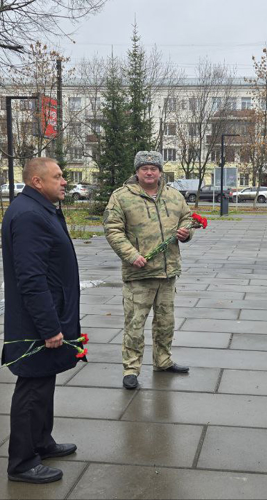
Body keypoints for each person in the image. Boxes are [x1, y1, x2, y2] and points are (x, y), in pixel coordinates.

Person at [1, 157, 81, 484]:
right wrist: (49, 327)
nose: (64, 181)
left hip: (48, 314)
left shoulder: (39, 209)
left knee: (44, 381)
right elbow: (31, 278)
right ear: (37, 181)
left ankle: (41, 442)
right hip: (36, 323)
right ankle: (22, 462)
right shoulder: (30, 215)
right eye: (58, 176)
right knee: (32, 388)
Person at [104, 151, 194, 390]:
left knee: (166, 322)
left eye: (154, 168)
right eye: (144, 168)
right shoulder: (121, 197)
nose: (149, 172)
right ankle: (131, 369)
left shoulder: (174, 196)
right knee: (135, 323)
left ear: (160, 172)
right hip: (139, 274)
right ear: (137, 171)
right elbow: (113, 230)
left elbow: (187, 218)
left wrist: (187, 233)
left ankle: (163, 361)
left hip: (167, 272)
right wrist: (132, 255)